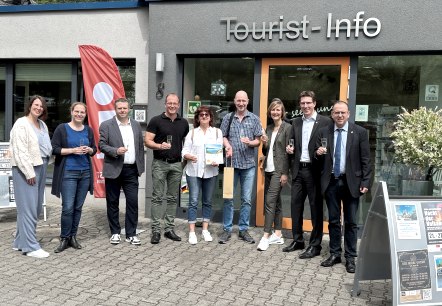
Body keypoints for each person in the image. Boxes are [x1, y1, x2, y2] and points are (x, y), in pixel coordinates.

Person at [315, 101, 371, 273]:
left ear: (348, 114)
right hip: (331, 182)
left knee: (351, 222)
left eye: (343, 113)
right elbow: (317, 158)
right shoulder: (324, 132)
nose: (339, 115)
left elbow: (366, 160)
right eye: (336, 112)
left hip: (351, 182)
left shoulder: (360, 132)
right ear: (332, 114)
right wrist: (317, 154)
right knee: (333, 221)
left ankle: (350, 257)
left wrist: (365, 182)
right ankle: (334, 253)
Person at [283, 91, 332, 259]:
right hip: (298, 170)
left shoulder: (325, 122)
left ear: (314, 103)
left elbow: (330, 145)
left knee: (316, 208)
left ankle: (315, 244)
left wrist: (323, 152)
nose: (305, 106)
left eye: (308, 103)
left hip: (315, 171)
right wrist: (290, 150)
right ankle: (298, 240)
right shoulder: (295, 122)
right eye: (302, 103)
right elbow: (291, 145)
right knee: (295, 206)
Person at [51, 102, 97, 253]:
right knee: (68, 207)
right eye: (76, 111)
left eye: (82, 112)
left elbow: (94, 149)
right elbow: (55, 149)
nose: (79, 114)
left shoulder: (88, 130)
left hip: (85, 173)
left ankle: (73, 236)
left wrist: (90, 149)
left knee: (78, 207)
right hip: (68, 173)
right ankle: (64, 237)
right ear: (71, 112)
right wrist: (73, 150)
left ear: (85, 114)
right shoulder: (62, 128)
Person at [10, 95, 52, 258]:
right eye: (36, 105)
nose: (39, 108)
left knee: (33, 207)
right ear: (30, 106)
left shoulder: (42, 124)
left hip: (41, 166)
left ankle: (20, 242)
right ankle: (30, 247)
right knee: (28, 208)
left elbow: (45, 146)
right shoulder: (21, 124)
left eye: (41, 106)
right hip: (26, 169)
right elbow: (19, 150)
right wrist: (28, 172)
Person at [99, 98, 145, 245]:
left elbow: (139, 147)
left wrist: (140, 167)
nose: (122, 111)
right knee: (113, 202)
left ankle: (131, 233)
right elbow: (101, 145)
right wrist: (115, 151)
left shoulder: (136, 125)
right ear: (115, 109)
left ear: (129, 109)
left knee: (132, 202)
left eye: (125, 108)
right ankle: (115, 232)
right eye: (120, 108)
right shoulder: (106, 125)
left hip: (131, 170)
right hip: (114, 168)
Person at [218, 90, 263, 244]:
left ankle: (243, 230)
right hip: (231, 165)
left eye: (244, 100)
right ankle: (227, 230)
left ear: (248, 101)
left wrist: (251, 143)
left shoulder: (255, 119)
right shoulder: (227, 118)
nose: (241, 103)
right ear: (235, 101)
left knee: (246, 200)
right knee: (228, 198)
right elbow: (222, 136)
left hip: (248, 165)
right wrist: (227, 145)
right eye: (239, 100)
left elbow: (258, 140)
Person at [145, 93, 189, 244]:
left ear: (178, 105)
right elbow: (147, 141)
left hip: (177, 164)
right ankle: (156, 230)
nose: (172, 106)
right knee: (157, 197)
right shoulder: (156, 120)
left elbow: (186, 143)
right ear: (165, 104)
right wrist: (159, 146)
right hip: (160, 163)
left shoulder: (183, 123)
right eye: (169, 103)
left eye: (174, 103)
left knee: (172, 198)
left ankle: (169, 229)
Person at [181, 106, 223, 244]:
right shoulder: (192, 133)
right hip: (193, 171)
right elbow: (184, 151)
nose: (204, 116)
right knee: (193, 201)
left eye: (206, 114)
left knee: (207, 201)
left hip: (211, 171)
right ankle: (192, 232)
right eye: (201, 115)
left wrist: (217, 161)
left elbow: (219, 152)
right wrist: (189, 156)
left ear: (210, 117)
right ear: (198, 118)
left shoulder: (217, 132)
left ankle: (205, 229)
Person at [257, 98, 291, 251]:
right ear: (270, 112)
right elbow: (266, 151)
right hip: (269, 170)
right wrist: (264, 143)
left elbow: (288, 153)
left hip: (279, 170)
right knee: (276, 202)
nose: (275, 112)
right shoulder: (269, 128)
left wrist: (285, 173)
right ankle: (278, 234)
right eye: (273, 110)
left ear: (282, 112)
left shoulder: (288, 128)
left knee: (269, 202)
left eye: (278, 110)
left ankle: (266, 235)